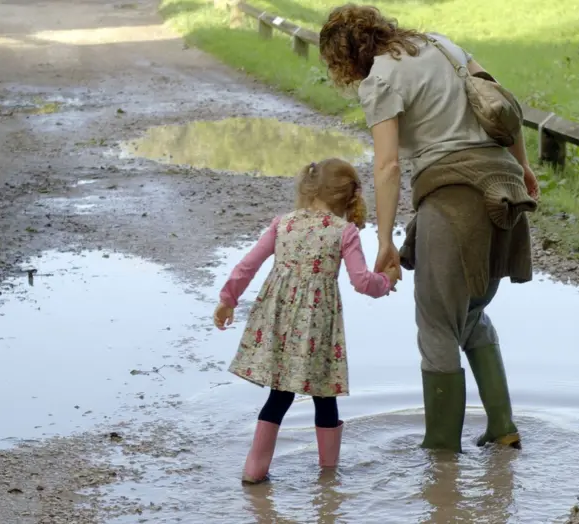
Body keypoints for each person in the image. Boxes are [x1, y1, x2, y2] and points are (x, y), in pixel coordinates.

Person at [319, 5, 540, 453]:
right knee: (471, 314)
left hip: (456, 197)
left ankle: (440, 455)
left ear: (345, 59)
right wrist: (523, 166)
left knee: (437, 324)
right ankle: (502, 427)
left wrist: (383, 240)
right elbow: (504, 103)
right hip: (505, 190)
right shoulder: (441, 45)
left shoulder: (380, 78)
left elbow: (387, 165)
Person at [213, 158, 400, 484]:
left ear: (309, 188)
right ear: (346, 196)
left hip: (279, 324)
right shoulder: (345, 232)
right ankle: (329, 480)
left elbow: (248, 265)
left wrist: (227, 300)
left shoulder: (282, 224)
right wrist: (386, 280)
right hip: (317, 328)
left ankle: (253, 472)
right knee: (324, 397)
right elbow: (361, 282)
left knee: (279, 396)